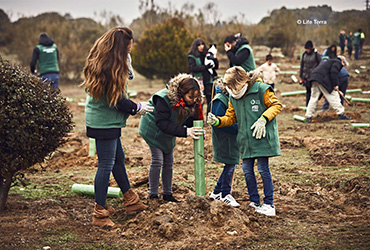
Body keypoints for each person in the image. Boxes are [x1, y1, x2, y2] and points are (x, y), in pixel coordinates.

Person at [82, 27, 153, 227]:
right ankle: (100, 213)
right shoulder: (109, 68)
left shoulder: (109, 63)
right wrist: (137, 108)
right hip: (103, 121)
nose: (129, 53)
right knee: (106, 164)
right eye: (128, 50)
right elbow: (118, 100)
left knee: (118, 159)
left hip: (104, 119)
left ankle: (131, 201)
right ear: (119, 49)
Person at [207, 66, 282, 216]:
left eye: (233, 86)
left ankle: (269, 204)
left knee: (262, 169)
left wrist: (263, 119)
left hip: (261, 138)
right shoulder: (233, 97)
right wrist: (217, 121)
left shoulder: (261, 89)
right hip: (245, 141)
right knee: (247, 170)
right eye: (229, 88)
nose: (232, 90)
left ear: (241, 81)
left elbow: (276, 105)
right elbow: (230, 118)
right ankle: (254, 202)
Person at [139, 73, 204, 203]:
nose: (193, 100)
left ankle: (167, 194)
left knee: (169, 162)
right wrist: (186, 131)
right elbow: (162, 123)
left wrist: (197, 127)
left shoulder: (192, 102)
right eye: (190, 97)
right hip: (153, 130)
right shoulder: (163, 98)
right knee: (158, 160)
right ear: (182, 93)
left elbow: (190, 119)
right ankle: (153, 195)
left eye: (196, 97)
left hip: (169, 131)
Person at [209, 79, 240, 207]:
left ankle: (217, 192)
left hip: (231, 138)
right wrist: (239, 127)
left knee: (231, 163)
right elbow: (219, 122)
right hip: (224, 138)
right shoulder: (219, 100)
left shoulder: (228, 98)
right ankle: (225, 194)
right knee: (230, 163)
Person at [305, 56, 352, 123]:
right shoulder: (337, 62)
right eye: (344, 64)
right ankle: (341, 113)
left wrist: (337, 87)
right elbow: (333, 73)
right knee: (334, 96)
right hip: (322, 79)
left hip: (314, 78)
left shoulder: (330, 62)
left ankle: (308, 116)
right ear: (342, 61)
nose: (343, 66)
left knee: (313, 98)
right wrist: (335, 85)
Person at [188, 38, 219, 113]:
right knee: (199, 101)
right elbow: (193, 68)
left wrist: (214, 59)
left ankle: (210, 118)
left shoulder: (207, 55)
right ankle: (199, 119)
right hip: (199, 81)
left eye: (202, 44)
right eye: (199, 45)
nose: (201, 46)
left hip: (209, 80)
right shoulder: (192, 56)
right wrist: (205, 67)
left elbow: (216, 67)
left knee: (210, 100)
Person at [299, 40, 322, 106]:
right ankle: (308, 105)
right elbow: (302, 65)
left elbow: (321, 64)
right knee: (308, 91)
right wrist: (301, 76)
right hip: (306, 76)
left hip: (314, 76)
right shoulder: (304, 54)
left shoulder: (316, 54)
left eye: (308, 49)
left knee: (314, 92)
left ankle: (314, 104)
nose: (307, 50)